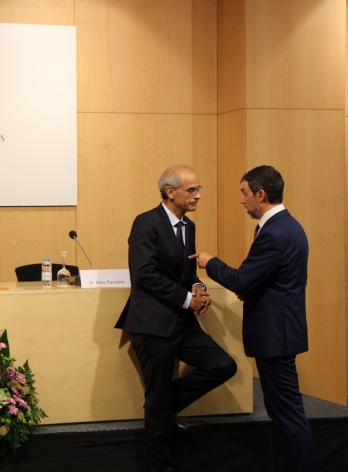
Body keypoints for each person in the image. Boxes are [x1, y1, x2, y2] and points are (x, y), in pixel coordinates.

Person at [191, 165, 315, 472]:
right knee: (282, 412)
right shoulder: (286, 226)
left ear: (261, 194)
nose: (242, 200)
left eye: (244, 193)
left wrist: (211, 262)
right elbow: (275, 279)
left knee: (287, 415)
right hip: (280, 331)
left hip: (276, 335)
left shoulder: (275, 232)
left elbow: (242, 280)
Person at [116, 165, 237, 472]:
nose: (198, 196)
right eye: (192, 190)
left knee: (223, 365)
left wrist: (197, 286)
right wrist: (187, 299)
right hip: (153, 325)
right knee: (156, 409)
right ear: (170, 192)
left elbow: (187, 272)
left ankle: (163, 406)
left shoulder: (189, 227)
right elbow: (144, 276)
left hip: (181, 324)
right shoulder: (146, 223)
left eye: (199, 189)